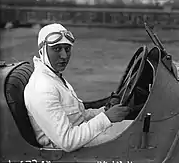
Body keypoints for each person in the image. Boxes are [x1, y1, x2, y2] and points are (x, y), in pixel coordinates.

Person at [24, 23, 133, 152]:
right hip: (67, 151)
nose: (64, 56)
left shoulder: (54, 77)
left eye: (67, 49)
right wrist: (107, 118)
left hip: (82, 138)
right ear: (42, 50)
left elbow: (79, 116)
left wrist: (104, 111)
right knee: (143, 132)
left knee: (140, 126)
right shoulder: (43, 88)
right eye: (57, 49)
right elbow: (67, 141)